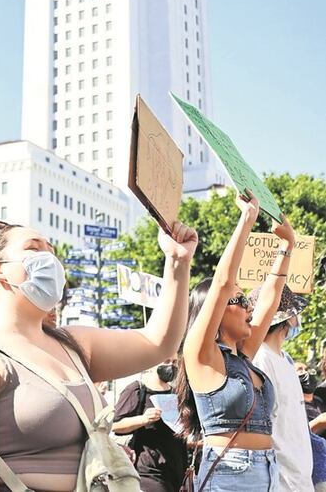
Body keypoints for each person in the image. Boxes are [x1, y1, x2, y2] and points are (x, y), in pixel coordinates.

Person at [0, 218, 196, 492]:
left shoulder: (74, 343)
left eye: (52, 251)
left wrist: (177, 262)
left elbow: (158, 343)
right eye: (34, 248)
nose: (50, 259)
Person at [175, 192, 290, 491]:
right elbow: (223, 282)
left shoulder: (243, 356)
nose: (249, 307)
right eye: (238, 300)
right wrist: (247, 219)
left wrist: (287, 246)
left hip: (268, 471)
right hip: (229, 475)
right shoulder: (201, 355)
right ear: (212, 311)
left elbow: (269, 299)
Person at [250, 284, 314, 491]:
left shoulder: (285, 359)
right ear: (288, 318)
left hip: (300, 475)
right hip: (281, 480)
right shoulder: (261, 359)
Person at [112, 359, 187, 491]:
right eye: (166, 361)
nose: (171, 366)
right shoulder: (137, 389)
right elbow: (115, 425)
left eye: (174, 362)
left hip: (176, 466)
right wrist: (143, 419)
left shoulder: (176, 393)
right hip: (148, 467)